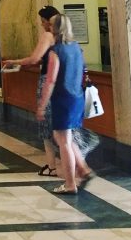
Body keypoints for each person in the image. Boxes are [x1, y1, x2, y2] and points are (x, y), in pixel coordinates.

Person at [36, 14, 93, 194]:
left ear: (56, 28)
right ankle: (83, 170)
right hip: (77, 98)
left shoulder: (56, 51)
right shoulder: (76, 47)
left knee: (64, 143)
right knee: (64, 137)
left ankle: (70, 184)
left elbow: (50, 80)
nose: (48, 27)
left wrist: (42, 105)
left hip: (62, 98)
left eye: (51, 25)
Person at [3, 5, 60, 175]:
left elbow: (34, 58)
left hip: (48, 81)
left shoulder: (48, 36)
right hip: (64, 83)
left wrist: (14, 62)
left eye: (42, 21)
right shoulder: (66, 36)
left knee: (46, 124)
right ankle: (74, 167)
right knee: (63, 126)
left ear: (47, 21)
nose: (42, 25)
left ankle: (52, 166)